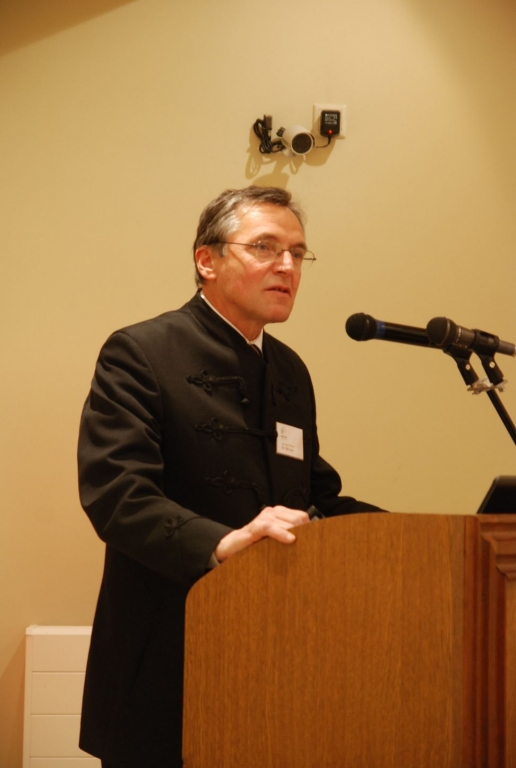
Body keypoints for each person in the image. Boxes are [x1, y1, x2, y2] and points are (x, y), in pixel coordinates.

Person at [78, 186, 382, 768]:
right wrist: (223, 543)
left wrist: (423, 533)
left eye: (297, 252)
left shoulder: (290, 369)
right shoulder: (140, 352)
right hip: (169, 647)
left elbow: (316, 496)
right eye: (265, 247)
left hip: (275, 649)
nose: (287, 265)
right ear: (207, 260)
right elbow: (117, 494)